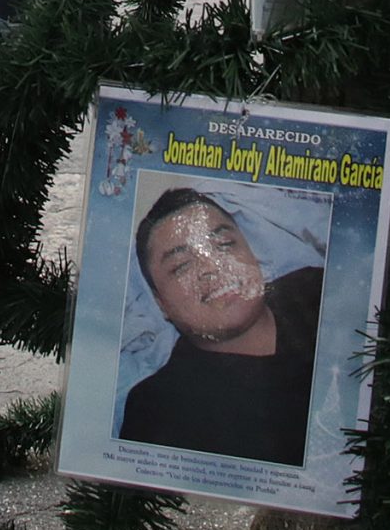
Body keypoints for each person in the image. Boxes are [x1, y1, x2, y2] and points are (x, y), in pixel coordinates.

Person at [116, 188, 323, 464]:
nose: (212, 266)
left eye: (224, 245)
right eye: (181, 266)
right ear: (160, 303)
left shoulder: (319, 291)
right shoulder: (157, 409)